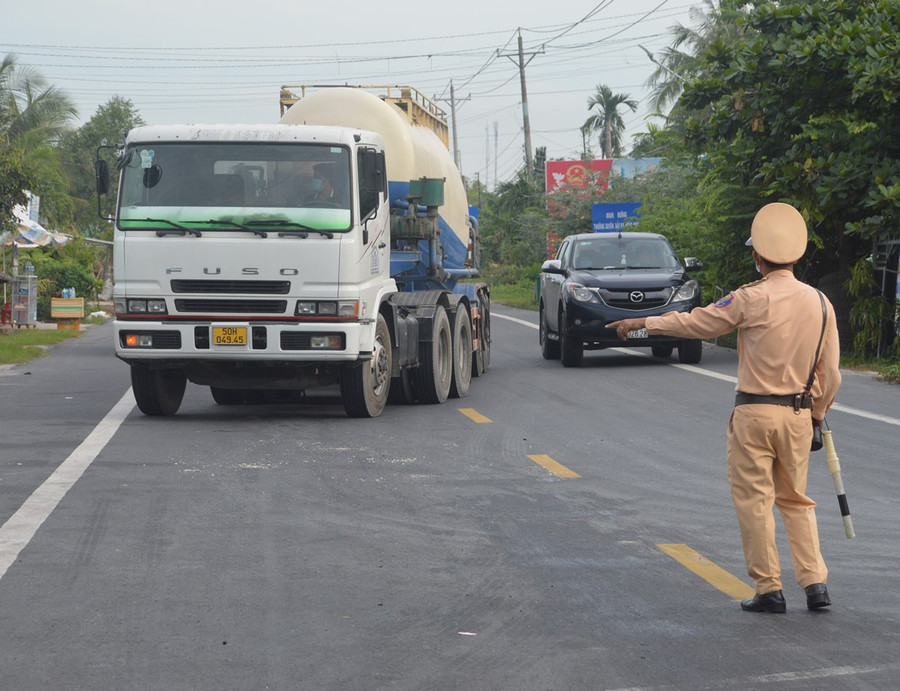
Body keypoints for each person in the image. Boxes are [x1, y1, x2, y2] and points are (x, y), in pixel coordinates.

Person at [608, 202, 842, 613]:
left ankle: (770, 589)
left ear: (757, 257)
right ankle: (815, 584)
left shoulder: (750, 298)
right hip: (800, 417)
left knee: (755, 501)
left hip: (754, 414)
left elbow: (697, 322)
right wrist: (818, 414)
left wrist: (644, 323)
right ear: (797, 254)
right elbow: (832, 373)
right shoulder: (821, 304)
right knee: (797, 500)